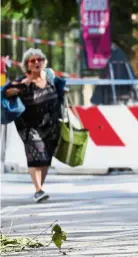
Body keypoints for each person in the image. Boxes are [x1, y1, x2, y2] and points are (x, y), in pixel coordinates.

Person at [3, 48, 67, 203]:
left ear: (44, 62)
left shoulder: (51, 78)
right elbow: (6, 93)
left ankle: (40, 188)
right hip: (28, 125)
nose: (37, 62)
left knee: (46, 158)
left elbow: (61, 92)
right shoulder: (22, 81)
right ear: (27, 65)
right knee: (36, 153)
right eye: (33, 61)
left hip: (50, 124)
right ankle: (38, 189)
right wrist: (18, 88)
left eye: (40, 60)